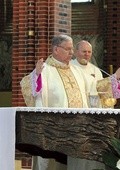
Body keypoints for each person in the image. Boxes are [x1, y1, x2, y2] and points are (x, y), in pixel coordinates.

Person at [20, 34, 89, 170]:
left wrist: (114, 78)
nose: (71, 52)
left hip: (78, 128)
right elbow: (28, 86)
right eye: (68, 49)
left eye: (72, 49)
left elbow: (93, 89)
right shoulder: (45, 70)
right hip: (54, 130)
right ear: (56, 49)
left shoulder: (76, 70)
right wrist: (37, 75)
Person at [71, 40, 120, 106]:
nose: (87, 54)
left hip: (94, 107)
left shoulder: (95, 69)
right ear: (75, 52)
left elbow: (102, 90)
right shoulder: (70, 67)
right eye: (84, 51)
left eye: (89, 52)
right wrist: (113, 78)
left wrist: (115, 79)